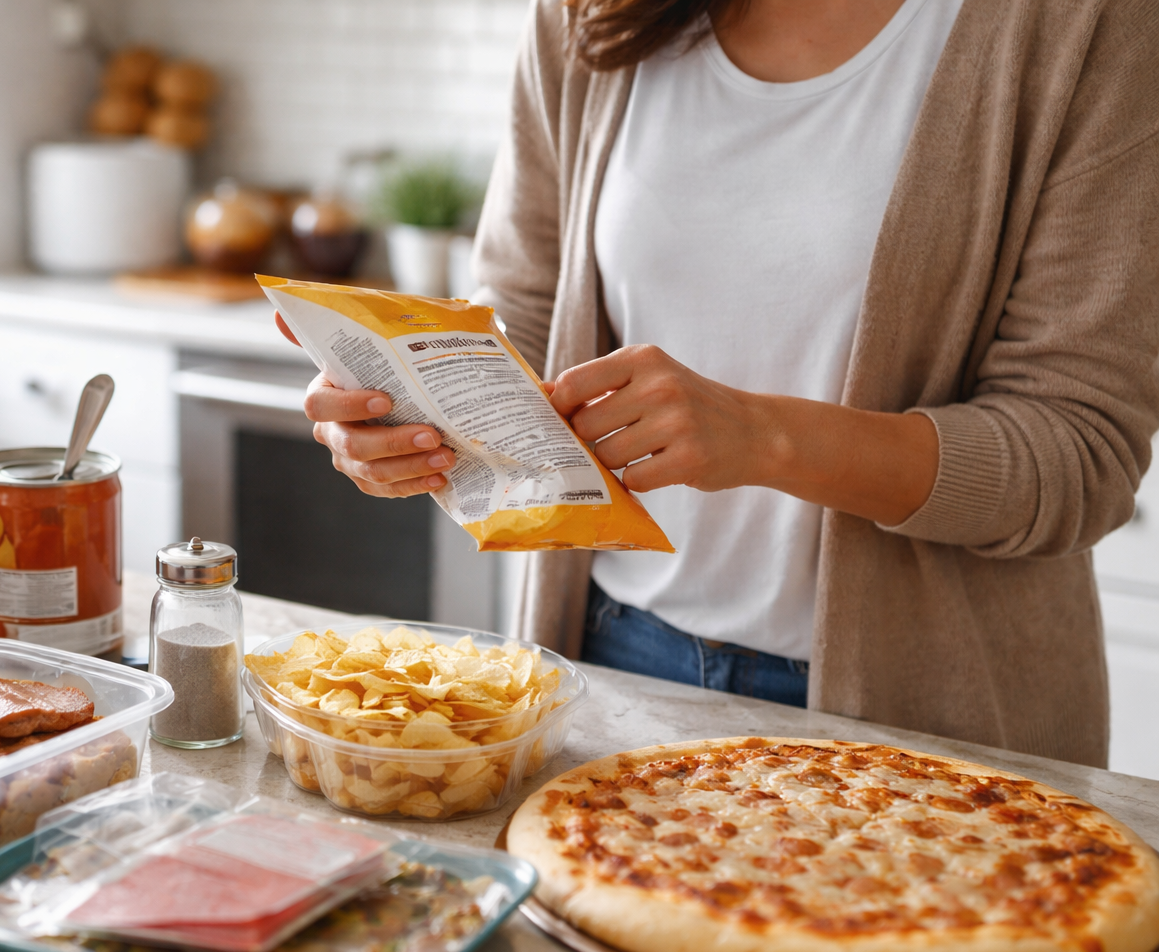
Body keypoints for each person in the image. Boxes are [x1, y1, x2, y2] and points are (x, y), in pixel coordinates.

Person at [278, 0, 1159, 767]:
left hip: (932, 718)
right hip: (609, 663)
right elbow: (525, 314)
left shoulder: (1085, 24)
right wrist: (419, 405)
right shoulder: (587, 14)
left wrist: (765, 438)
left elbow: (1078, 454)